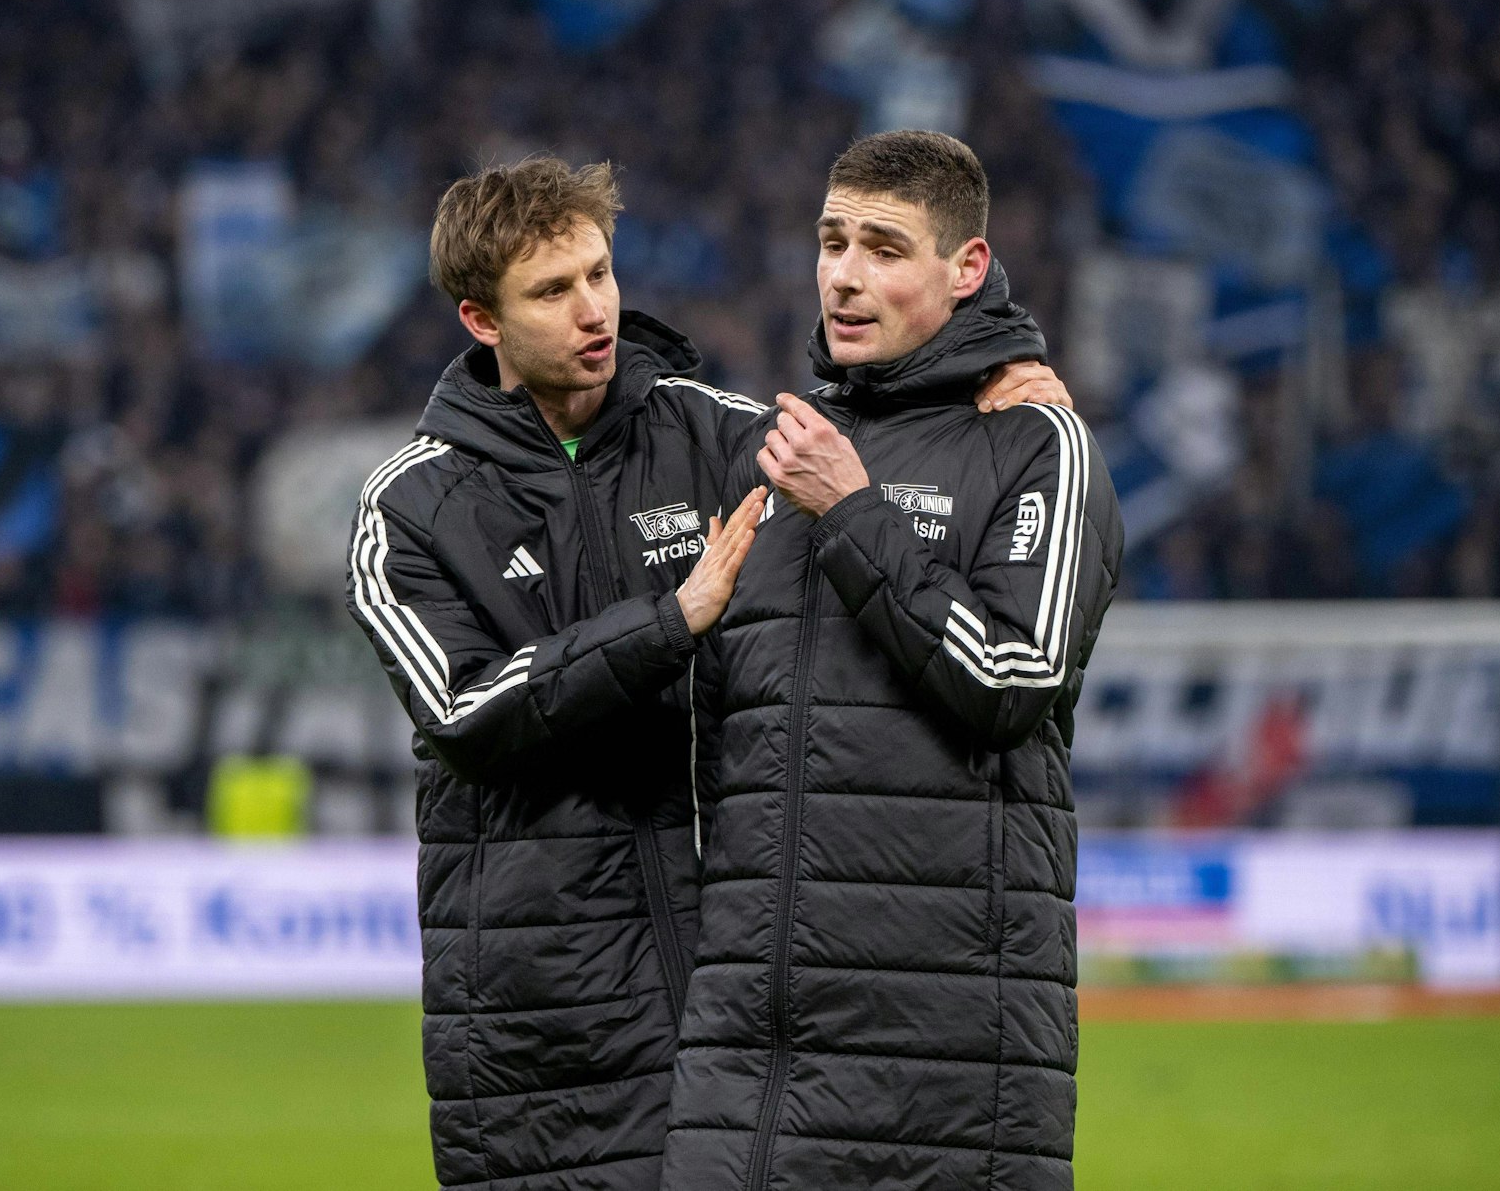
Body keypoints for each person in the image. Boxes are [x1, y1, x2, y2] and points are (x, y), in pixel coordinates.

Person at [345, 155, 1073, 1191]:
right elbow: (462, 711)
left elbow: (876, 453)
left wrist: (989, 385)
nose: (594, 310)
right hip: (528, 1001)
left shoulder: (713, 436)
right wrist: (667, 623)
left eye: (600, 273)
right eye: (552, 292)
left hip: (716, 976)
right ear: (479, 320)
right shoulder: (409, 507)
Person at [662, 130, 1124, 1191]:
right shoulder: (766, 452)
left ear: (964, 269)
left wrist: (854, 511)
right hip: (744, 1067)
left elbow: (1013, 678)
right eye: (831, 241)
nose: (844, 273)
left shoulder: (1032, 443)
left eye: (882, 246)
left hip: (942, 1077)